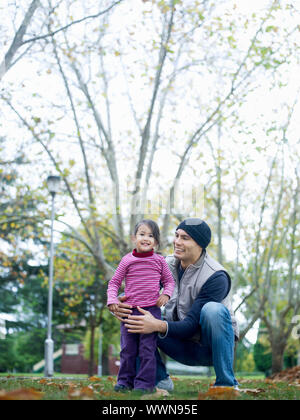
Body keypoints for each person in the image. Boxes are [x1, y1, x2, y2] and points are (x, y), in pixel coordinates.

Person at [112, 218, 239, 390]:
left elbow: (192, 325)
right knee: (138, 315)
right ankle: (158, 380)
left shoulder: (216, 276)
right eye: (176, 236)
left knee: (213, 310)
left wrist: (157, 325)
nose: (177, 242)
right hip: (179, 342)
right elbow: (140, 293)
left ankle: (226, 384)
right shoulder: (164, 264)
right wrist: (120, 303)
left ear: (200, 244)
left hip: (210, 349)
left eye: (185, 238)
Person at [107, 219, 175, 392]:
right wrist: (113, 300)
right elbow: (114, 283)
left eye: (151, 236)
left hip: (151, 312)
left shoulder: (159, 261)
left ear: (156, 242)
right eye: (142, 234)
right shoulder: (127, 260)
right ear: (133, 238)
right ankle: (124, 382)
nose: (146, 238)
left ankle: (144, 385)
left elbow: (169, 281)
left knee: (147, 350)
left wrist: (166, 294)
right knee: (128, 349)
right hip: (129, 311)